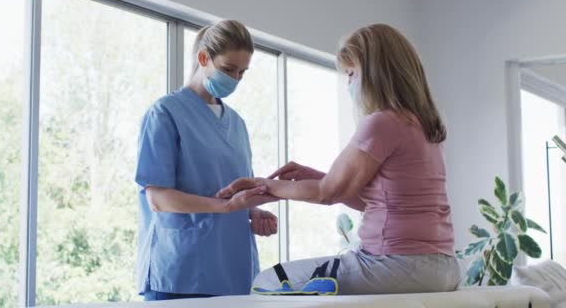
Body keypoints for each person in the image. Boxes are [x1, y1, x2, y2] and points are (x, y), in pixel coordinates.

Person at [217, 24, 462, 295]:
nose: (348, 83)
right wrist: (317, 176)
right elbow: (369, 200)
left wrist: (265, 184)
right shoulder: (425, 127)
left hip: (396, 264)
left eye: (351, 73)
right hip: (443, 267)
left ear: (375, 74)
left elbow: (327, 193)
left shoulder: (382, 122)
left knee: (267, 282)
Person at [134, 20, 278, 301]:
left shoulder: (237, 124)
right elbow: (158, 198)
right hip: (180, 272)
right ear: (203, 58)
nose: (235, 79)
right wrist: (225, 207)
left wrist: (251, 212)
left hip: (233, 271)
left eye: (242, 72)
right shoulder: (165, 113)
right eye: (228, 69)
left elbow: (232, 191)